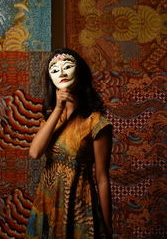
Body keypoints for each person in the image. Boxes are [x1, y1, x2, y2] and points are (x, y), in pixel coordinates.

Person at [26, 48, 113, 239]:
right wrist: (58, 108)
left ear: (79, 72)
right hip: (47, 202)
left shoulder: (96, 122)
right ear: (50, 78)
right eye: (55, 69)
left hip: (78, 204)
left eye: (67, 67)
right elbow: (34, 153)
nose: (62, 73)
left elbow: (102, 178)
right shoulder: (50, 119)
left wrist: (108, 228)